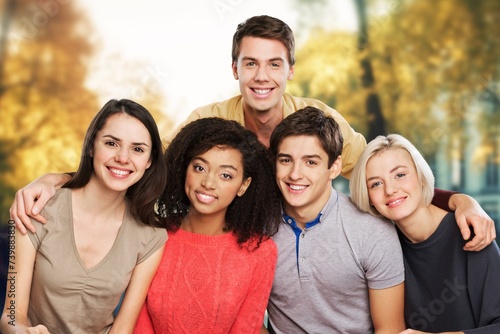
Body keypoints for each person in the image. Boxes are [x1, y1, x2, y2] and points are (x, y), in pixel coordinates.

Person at [9, 15, 494, 248]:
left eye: (274, 64)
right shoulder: (206, 120)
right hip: (225, 240)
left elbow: (384, 176)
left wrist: (457, 202)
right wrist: (56, 180)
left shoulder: (319, 120)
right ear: (235, 68)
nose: (262, 75)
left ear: (289, 70)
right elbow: (139, 166)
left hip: (296, 240)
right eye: (251, 63)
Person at [0, 99, 168, 333]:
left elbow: (123, 328)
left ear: (149, 161)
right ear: (91, 146)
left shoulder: (152, 236)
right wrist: (20, 330)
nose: (123, 158)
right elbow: (11, 314)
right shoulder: (37, 208)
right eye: (111, 143)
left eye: (137, 149)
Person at [265, 106, 406, 333]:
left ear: (335, 167)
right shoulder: (256, 226)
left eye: (311, 162)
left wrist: (458, 200)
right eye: (285, 160)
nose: (295, 174)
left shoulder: (372, 231)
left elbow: (390, 330)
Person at [134, 117, 281, 333]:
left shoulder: (260, 252)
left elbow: (246, 328)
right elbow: (139, 322)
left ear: (243, 185)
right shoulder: (154, 235)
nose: (208, 183)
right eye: (200, 168)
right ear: (186, 169)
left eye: (225, 175)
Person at [350, 134, 500, 334]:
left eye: (400, 175)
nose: (390, 190)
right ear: (368, 198)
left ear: (420, 176)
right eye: (376, 184)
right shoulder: (381, 246)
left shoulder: (470, 232)